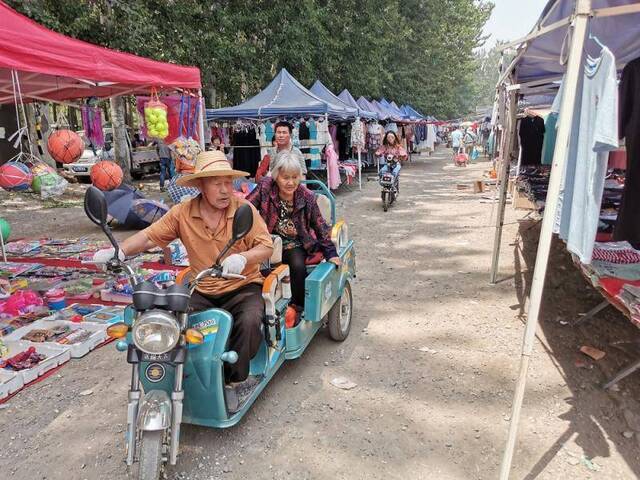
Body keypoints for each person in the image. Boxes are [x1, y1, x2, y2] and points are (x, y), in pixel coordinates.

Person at [93, 151, 274, 411]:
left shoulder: (244, 209)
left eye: (228, 182)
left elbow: (265, 247)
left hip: (243, 285)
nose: (225, 190)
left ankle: (234, 380)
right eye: (216, 183)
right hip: (203, 286)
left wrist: (243, 259)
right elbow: (148, 237)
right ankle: (181, 377)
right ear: (201, 185)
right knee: (172, 325)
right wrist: (119, 251)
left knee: (250, 320)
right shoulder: (183, 213)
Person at [246, 152, 340, 327]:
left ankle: (297, 307)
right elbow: (247, 207)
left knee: (297, 266)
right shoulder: (266, 186)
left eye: (295, 177)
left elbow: (319, 225)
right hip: (268, 240)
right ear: (276, 176)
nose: (290, 182)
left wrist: (331, 252)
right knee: (258, 269)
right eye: (285, 177)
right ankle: (263, 309)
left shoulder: (307, 196)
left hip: (294, 242)